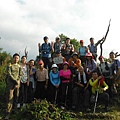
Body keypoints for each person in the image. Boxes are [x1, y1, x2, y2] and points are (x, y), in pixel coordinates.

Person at [5, 53, 22, 119]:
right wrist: (16, 81)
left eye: (17, 58)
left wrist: (18, 82)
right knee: (9, 98)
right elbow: (9, 74)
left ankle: (15, 110)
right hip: (11, 84)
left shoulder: (19, 66)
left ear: (19, 59)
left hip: (17, 84)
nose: (16, 59)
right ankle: (8, 112)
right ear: (13, 58)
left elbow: (20, 75)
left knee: (16, 97)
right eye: (15, 58)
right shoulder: (9, 65)